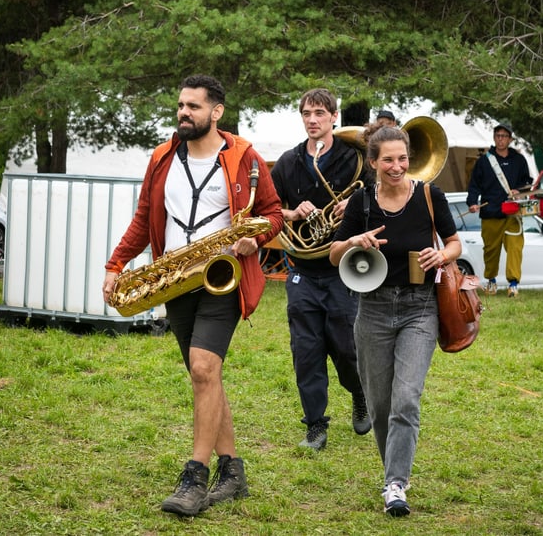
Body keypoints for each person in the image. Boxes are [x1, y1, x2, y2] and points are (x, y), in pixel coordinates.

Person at [102, 75, 282, 517]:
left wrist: (253, 242)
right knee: (206, 377)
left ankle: (195, 477)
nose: (184, 112)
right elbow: (145, 218)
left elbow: (273, 214)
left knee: (204, 368)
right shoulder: (163, 157)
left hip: (223, 274)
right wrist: (115, 264)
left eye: (193, 107)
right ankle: (233, 471)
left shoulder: (245, 158)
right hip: (177, 278)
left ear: (216, 111)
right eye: (181, 105)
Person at [329, 124, 461, 517]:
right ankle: (392, 472)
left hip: (420, 308)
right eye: (388, 159)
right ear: (373, 163)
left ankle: (395, 484)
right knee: (381, 403)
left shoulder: (429, 195)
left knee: (406, 399)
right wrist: (355, 241)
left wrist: (443, 256)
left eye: (402, 158)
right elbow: (334, 255)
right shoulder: (361, 203)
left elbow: (454, 242)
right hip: (372, 308)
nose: (398, 166)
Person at [270, 88, 373, 450]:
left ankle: (359, 393)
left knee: (346, 345)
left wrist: (354, 202)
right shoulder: (287, 162)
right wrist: (292, 213)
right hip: (302, 268)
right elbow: (266, 211)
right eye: (306, 114)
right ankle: (316, 424)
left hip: (342, 269)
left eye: (319, 113)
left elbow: (382, 197)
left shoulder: (355, 156)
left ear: (334, 116)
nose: (312, 120)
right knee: (306, 349)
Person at [466, 123, 532, 297]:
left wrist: (519, 190)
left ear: (510, 139)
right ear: (494, 138)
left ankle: (513, 284)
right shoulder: (484, 161)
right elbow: (474, 185)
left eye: (504, 136)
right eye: (498, 135)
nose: (501, 139)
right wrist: (472, 202)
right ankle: (491, 281)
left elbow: (528, 182)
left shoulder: (519, 160)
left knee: (515, 248)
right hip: (490, 213)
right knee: (491, 249)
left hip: (513, 213)